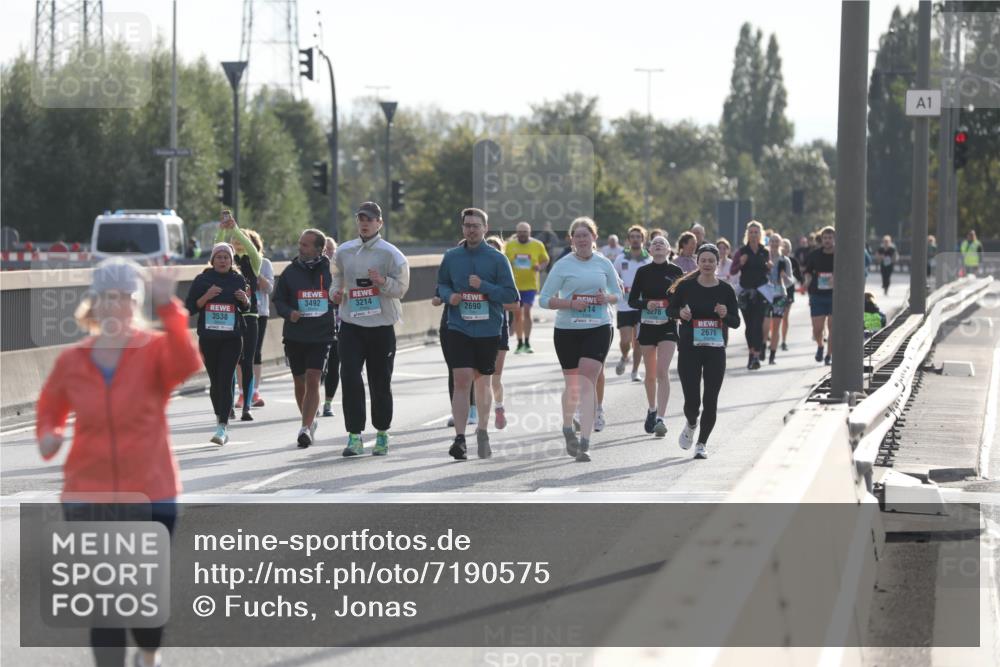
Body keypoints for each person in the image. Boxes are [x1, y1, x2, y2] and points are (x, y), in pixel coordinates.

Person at [37, 258, 201, 667]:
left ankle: (148, 655)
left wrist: (170, 308)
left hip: (152, 492)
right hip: (88, 493)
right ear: (95, 303)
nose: (116, 306)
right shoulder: (73, 360)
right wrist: (50, 432)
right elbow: (51, 404)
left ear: (136, 302)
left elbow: (186, 364)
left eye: (125, 297)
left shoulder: (154, 351)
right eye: (108, 297)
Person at [437, 208, 519, 459]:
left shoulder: (497, 259)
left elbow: (511, 297)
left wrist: (483, 287)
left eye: (476, 225)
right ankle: (460, 439)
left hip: (487, 329)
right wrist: (449, 295)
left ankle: (482, 432)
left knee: (483, 383)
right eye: (467, 225)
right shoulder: (451, 257)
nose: (471, 229)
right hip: (458, 327)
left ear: (485, 228)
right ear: (462, 228)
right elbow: (441, 284)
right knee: (461, 380)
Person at [331, 202, 411, 456]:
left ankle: (382, 434)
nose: (365, 223)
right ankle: (354, 437)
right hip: (352, 326)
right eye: (361, 218)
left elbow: (401, 289)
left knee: (380, 381)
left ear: (379, 223)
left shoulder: (392, 254)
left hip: (381, 326)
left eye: (370, 219)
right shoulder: (344, 251)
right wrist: (335, 292)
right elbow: (336, 278)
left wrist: (382, 282)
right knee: (350, 378)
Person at [539, 216, 622, 462]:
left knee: (587, 381)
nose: (582, 240)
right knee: (573, 385)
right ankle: (567, 427)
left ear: (594, 238)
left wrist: (605, 298)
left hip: (598, 326)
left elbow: (617, 294)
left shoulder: (604, 263)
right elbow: (544, 299)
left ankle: (585, 442)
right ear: (572, 240)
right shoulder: (563, 265)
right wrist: (569, 303)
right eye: (578, 236)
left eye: (586, 235)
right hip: (567, 329)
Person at [666, 243, 741, 459]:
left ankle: (701, 443)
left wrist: (725, 313)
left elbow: (736, 322)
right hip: (690, 348)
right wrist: (680, 313)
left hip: (715, 351)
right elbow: (669, 310)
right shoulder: (686, 287)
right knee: (692, 402)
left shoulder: (725, 289)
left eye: (711, 261)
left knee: (711, 399)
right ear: (698, 262)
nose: (707, 264)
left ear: (718, 263)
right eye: (703, 260)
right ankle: (691, 423)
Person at [273, 228, 336, 448]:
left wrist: (336, 299)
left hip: (321, 334)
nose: (301, 248)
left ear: (319, 249)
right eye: (300, 244)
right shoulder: (290, 271)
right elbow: (278, 299)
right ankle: (309, 421)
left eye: (306, 245)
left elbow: (340, 294)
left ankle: (305, 427)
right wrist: (289, 312)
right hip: (295, 334)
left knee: (313, 377)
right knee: (299, 380)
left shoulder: (332, 270)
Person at [185, 242, 251, 444]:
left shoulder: (238, 279)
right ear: (213, 260)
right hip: (209, 338)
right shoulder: (203, 280)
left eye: (226, 257)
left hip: (232, 338)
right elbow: (189, 308)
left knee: (225, 378)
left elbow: (248, 308)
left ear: (231, 261)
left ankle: (222, 426)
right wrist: (206, 296)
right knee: (215, 382)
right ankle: (219, 417)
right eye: (219, 257)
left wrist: (244, 300)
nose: (223, 260)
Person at [628, 234, 684, 437]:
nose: (658, 245)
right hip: (648, 325)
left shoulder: (676, 271)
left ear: (669, 250)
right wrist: (646, 304)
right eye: (655, 243)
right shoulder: (643, 271)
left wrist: (675, 310)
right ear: (650, 250)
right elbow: (633, 300)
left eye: (663, 243)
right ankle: (652, 409)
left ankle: (661, 417)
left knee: (662, 371)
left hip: (668, 325)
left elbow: (682, 298)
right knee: (650, 374)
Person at [216, 211, 262, 421]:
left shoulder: (253, 263)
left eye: (239, 240)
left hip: (250, 316)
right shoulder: (226, 266)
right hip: (229, 317)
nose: (237, 242)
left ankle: (247, 406)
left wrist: (235, 228)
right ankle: (231, 405)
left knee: (247, 361)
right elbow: (217, 251)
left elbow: (252, 249)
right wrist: (222, 230)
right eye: (234, 241)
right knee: (231, 362)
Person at [486, 235, 519, 429]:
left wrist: (493, 300)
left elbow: (514, 304)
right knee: (480, 377)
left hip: (499, 329)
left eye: (494, 249)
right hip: (476, 329)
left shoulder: (505, 274)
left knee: (495, 378)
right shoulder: (474, 274)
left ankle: (499, 407)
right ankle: (479, 415)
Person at [613, 225, 651, 383]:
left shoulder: (648, 259)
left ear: (643, 239)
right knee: (625, 340)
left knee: (638, 341)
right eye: (632, 237)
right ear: (628, 240)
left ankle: (635, 371)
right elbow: (613, 279)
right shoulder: (621, 259)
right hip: (624, 304)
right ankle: (624, 356)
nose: (635, 239)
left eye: (638, 236)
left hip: (642, 305)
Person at [730, 220, 770, 370]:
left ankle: (756, 356)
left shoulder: (764, 251)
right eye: (751, 232)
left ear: (760, 234)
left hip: (761, 292)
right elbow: (733, 271)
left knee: (757, 325)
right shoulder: (742, 251)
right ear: (747, 234)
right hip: (745, 293)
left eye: (756, 232)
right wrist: (740, 262)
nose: (754, 235)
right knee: (749, 326)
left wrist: (769, 267)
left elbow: (768, 271)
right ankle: (751, 352)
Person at [504, 221, 549, 353]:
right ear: (516, 233)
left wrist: (539, 267)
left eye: (525, 232)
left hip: (530, 284)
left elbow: (545, 260)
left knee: (527, 312)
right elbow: (504, 261)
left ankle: (528, 342)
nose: (522, 235)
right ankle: (519, 343)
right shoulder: (510, 245)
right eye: (520, 232)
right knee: (517, 315)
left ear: (529, 232)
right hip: (515, 285)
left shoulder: (537, 245)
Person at [802, 226, 836, 365]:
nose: (827, 240)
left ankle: (829, 355)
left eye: (830, 238)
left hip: (835, 296)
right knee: (817, 329)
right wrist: (806, 282)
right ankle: (820, 346)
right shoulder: (814, 255)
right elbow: (808, 271)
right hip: (817, 294)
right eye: (825, 238)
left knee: (832, 327)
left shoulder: (840, 254)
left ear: (835, 239)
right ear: (821, 239)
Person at [251, 231, 274, 407]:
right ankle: (243, 392)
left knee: (255, 351)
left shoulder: (264, 263)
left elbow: (268, 288)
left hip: (260, 312)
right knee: (242, 353)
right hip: (241, 312)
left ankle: (255, 391)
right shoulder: (234, 262)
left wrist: (255, 272)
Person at [763, 232, 792, 365]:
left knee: (776, 326)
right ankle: (763, 347)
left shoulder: (784, 260)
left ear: (780, 244)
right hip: (765, 294)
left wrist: (784, 277)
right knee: (764, 325)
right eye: (772, 241)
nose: (774, 243)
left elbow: (791, 281)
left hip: (780, 295)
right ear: (769, 243)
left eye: (777, 241)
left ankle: (772, 355)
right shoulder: (764, 257)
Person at [321, 236, 341, 418]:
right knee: (317, 367)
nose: (327, 254)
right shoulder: (313, 270)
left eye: (331, 251)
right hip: (316, 324)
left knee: (335, 364)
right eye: (324, 250)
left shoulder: (341, 270)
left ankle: (328, 403)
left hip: (337, 322)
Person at [780, 237, 802, 351]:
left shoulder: (793, 261)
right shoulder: (775, 260)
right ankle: (771, 337)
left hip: (788, 291)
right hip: (776, 291)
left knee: (785, 317)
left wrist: (804, 285)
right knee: (775, 317)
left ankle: (783, 340)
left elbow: (799, 276)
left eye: (787, 248)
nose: (785, 250)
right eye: (783, 247)